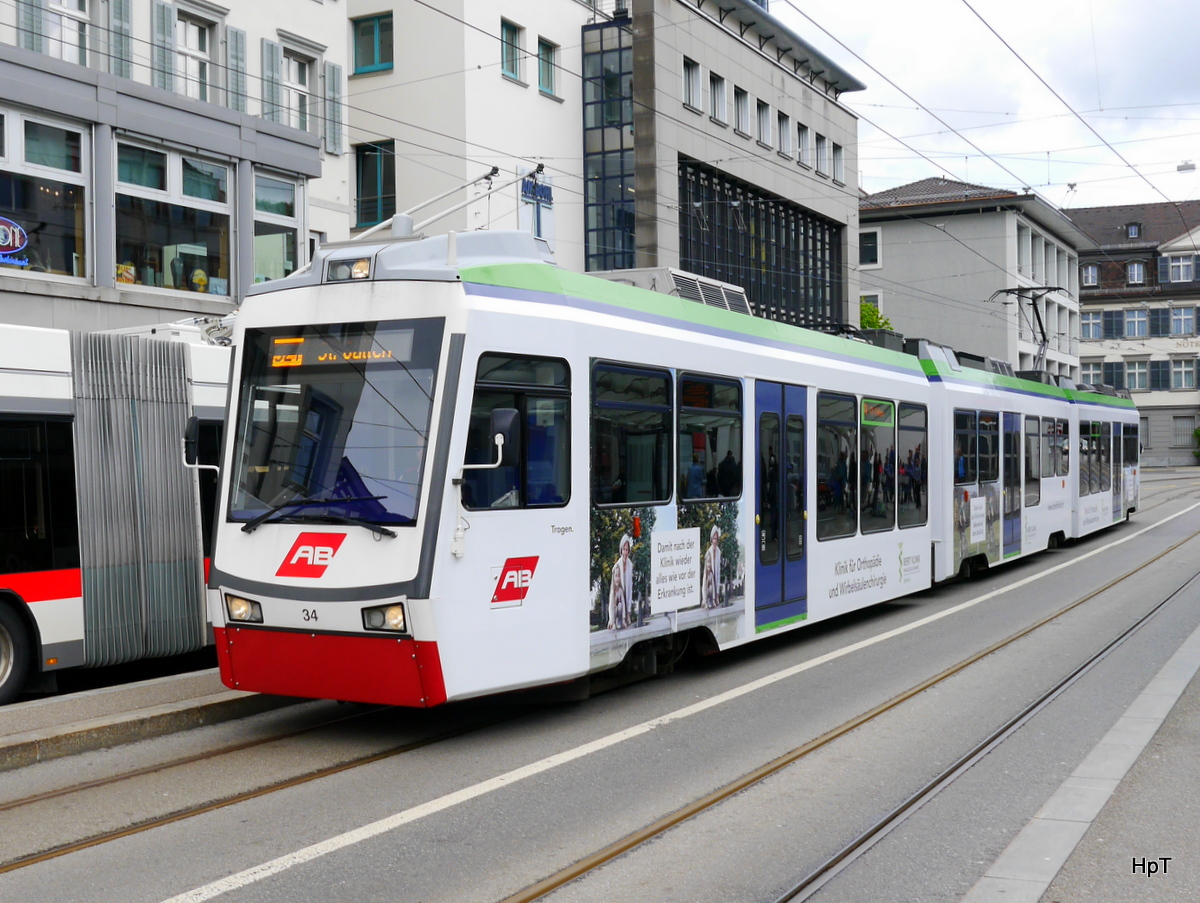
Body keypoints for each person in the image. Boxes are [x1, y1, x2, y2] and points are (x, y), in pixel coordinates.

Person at [608, 534, 633, 630]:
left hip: (624, 603)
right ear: (621, 550)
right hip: (616, 604)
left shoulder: (630, 565)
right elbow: (612, 593)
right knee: (618, 605)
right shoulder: (616, 566)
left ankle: (625, 618)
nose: (625, 552)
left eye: (627, 550)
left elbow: (629, 589)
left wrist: (629, 612)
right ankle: (614, 620)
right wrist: (611, 619)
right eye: (624, 549)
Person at [702, 525, 722, 609]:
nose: (715, 541)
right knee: (708, 579)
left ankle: (715, 597)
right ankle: (706, 600)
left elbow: (718, 572)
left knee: (716, 577)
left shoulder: (718, 552)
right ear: (711, 539)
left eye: (716, 539)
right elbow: (707, 575)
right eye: (714, 538)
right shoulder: (708, 553)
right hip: (709, 578)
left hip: (715, 578)